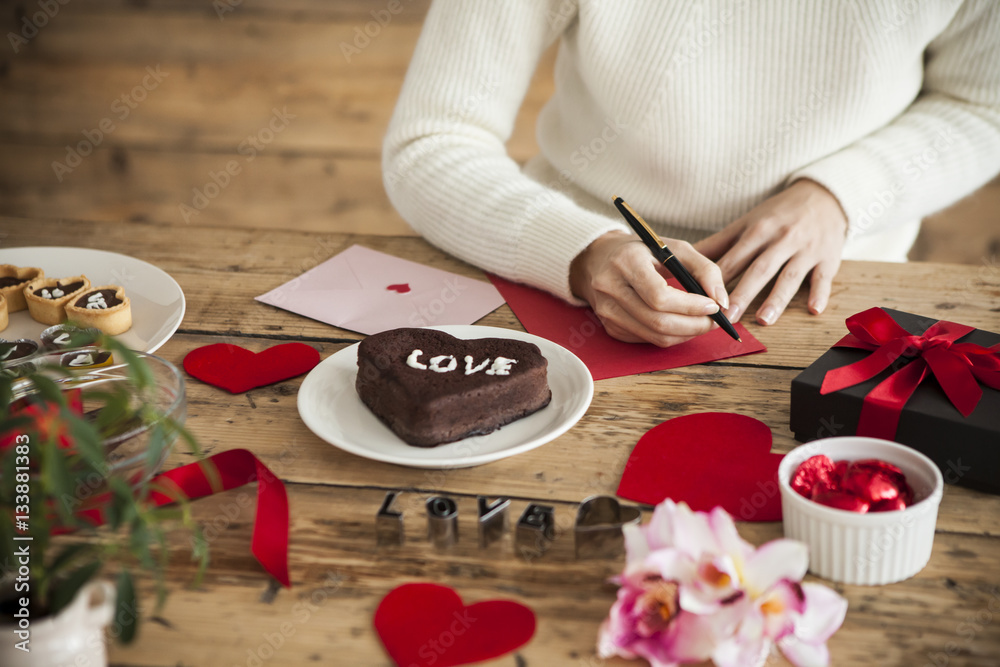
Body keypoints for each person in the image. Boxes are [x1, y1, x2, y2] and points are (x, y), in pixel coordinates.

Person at [383, 1, 1000, 347]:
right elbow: (430, 141)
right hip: (566, 287)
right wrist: (582, 251)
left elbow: (983, 105)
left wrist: (840, 196)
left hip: (844, 293)